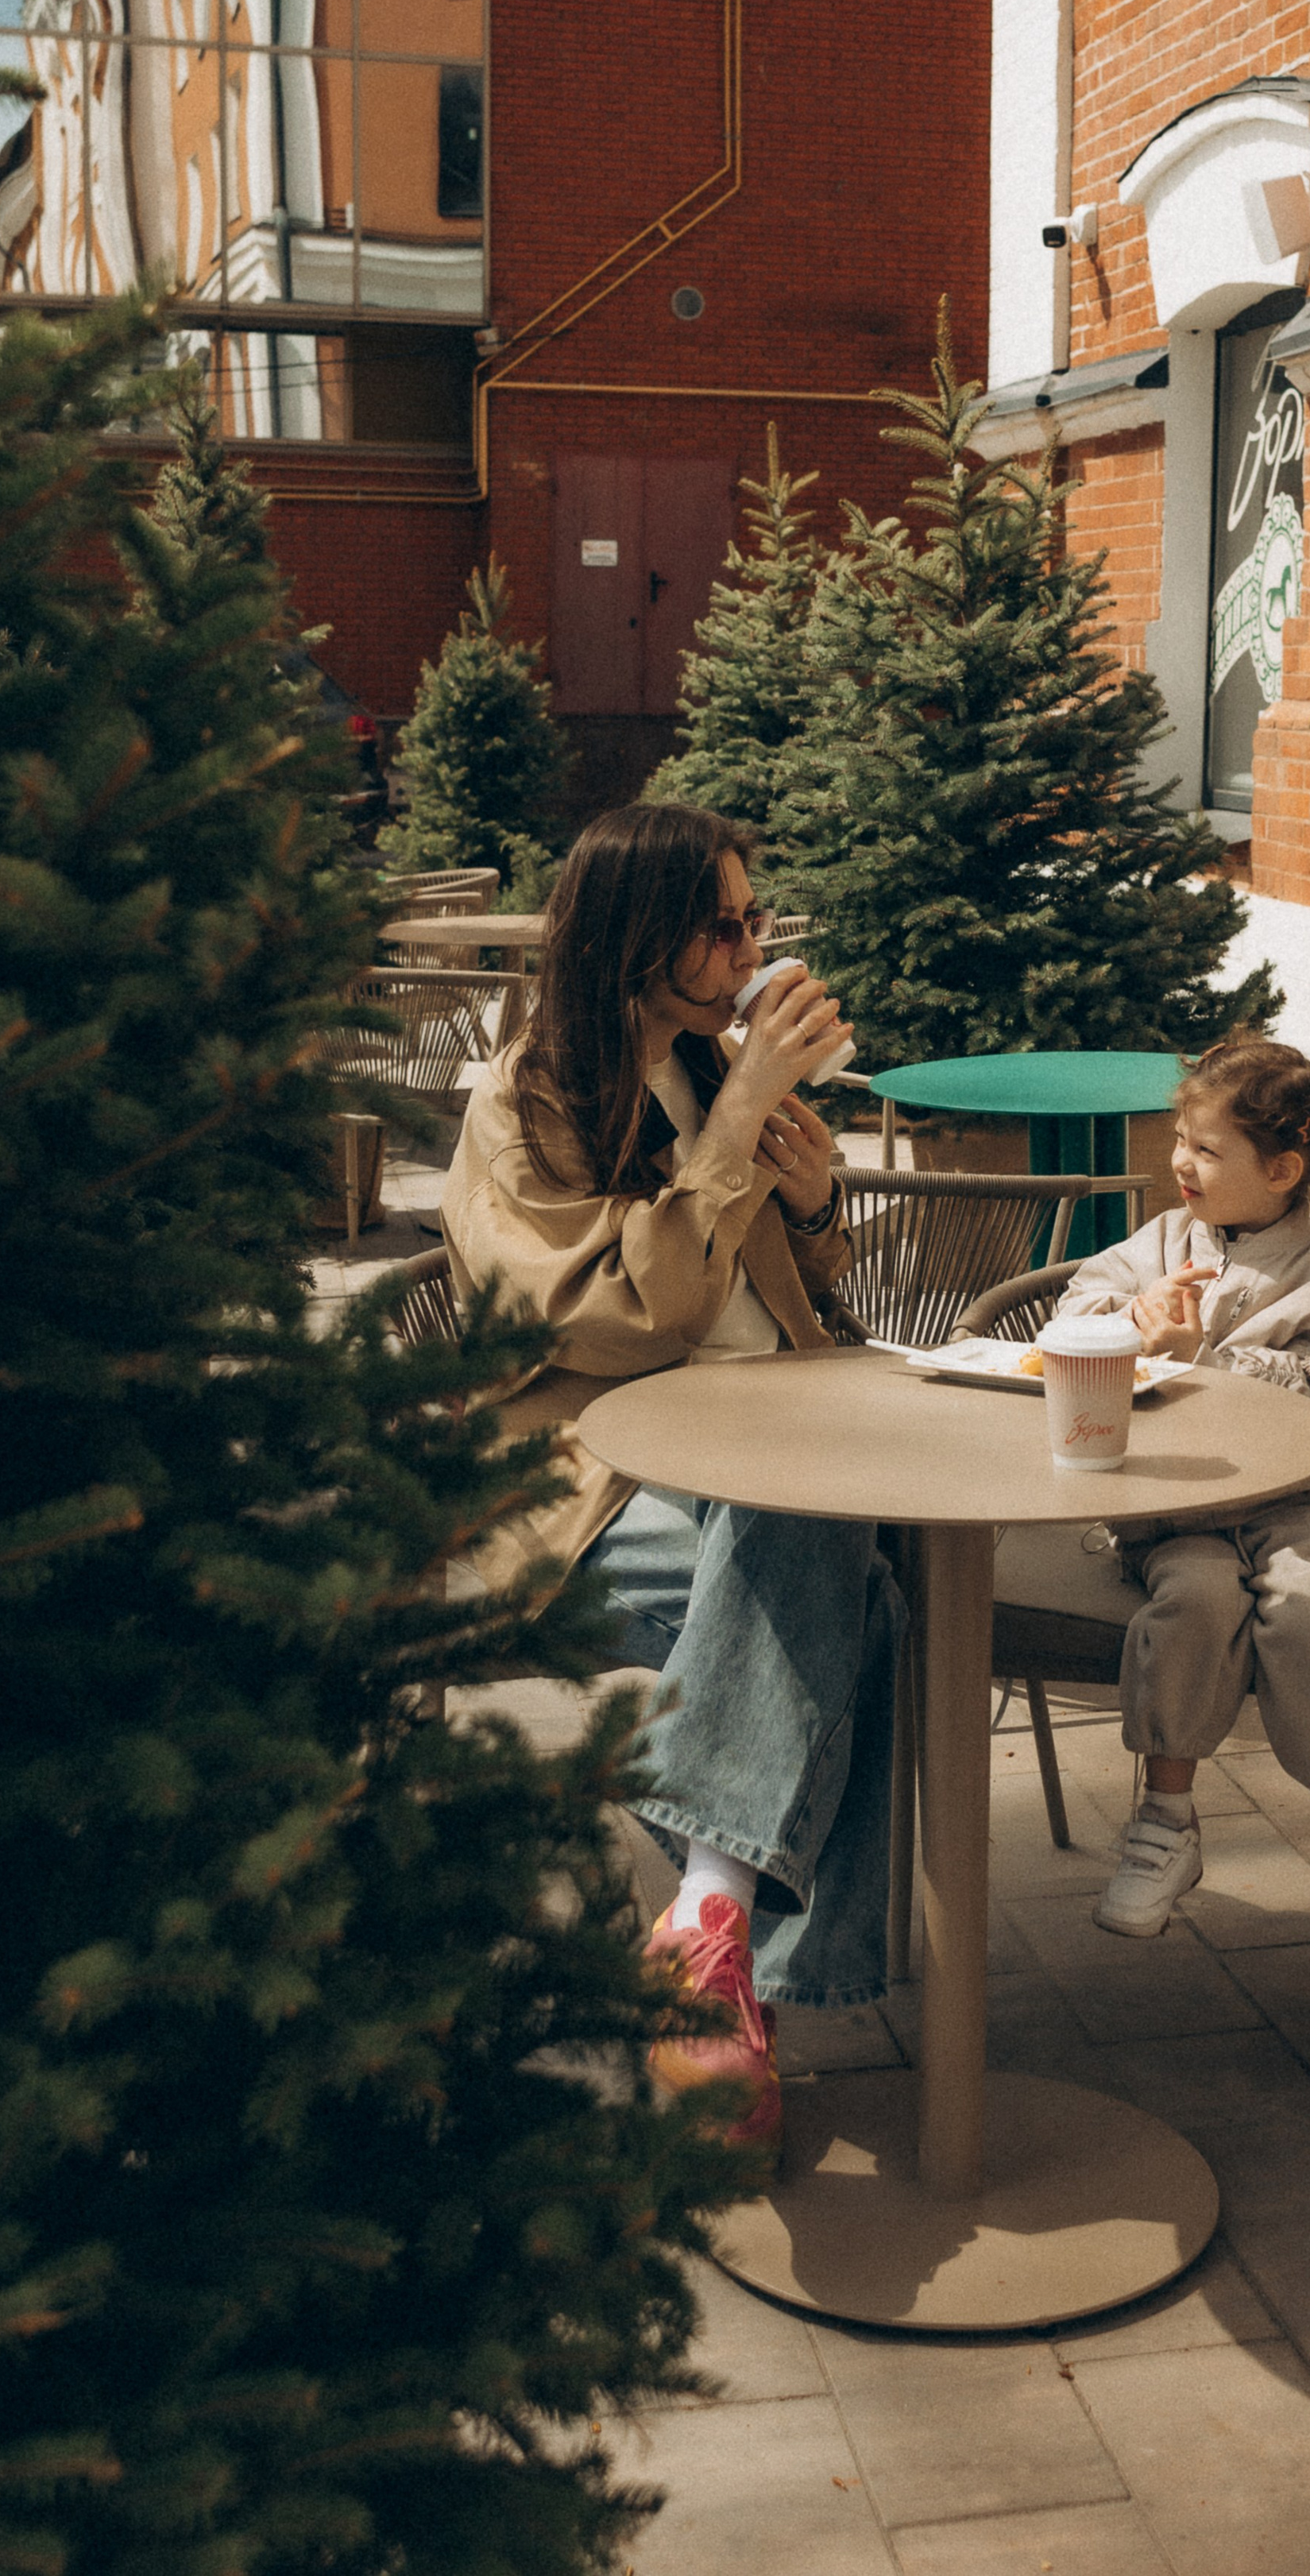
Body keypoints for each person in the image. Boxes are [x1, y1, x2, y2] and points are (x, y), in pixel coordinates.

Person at [440, 802, 902, 2158]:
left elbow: (778, 1294)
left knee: (854, 1538)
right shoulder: (522, 1099)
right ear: (640, 938)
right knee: (856, 1592)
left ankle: (708, 1935)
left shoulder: (707, 1075)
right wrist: (747, 1107)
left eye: (758, 919)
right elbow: (619, 1321)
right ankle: (741, 1950)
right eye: (726, 923)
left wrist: (812, 1202)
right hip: (592, 1480)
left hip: (755, 1444)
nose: (752, 944)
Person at [1046, 1034, 1310, 1969]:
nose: (1180, 1161)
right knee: (1195, 1601)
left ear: (1282, 1170)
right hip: (1180, 1505)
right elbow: (1077, 1297)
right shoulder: (1166, 1241)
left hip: (1300, 1503)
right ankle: (1165, 1820)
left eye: (1206, 1149)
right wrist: (1127, 1319)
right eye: (1181, 1138)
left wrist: (1203, 1357)